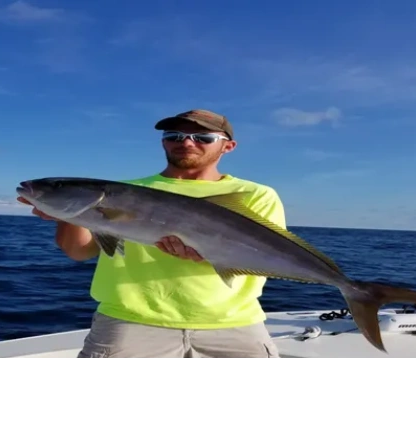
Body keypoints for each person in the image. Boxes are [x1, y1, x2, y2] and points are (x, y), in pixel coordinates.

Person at [18, 109, 287, 359]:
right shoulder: (125, 191)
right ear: (163, 143)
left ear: (228, 146)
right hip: (129, 320)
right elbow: (78, 252)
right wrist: (68, 216)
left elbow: (268, 256)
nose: (187, 143)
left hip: (234, 323)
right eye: (174, 136)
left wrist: (208, 253)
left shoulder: (255, 195)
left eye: (202, 137)